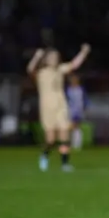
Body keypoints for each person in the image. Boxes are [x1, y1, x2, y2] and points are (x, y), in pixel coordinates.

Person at [27, 44, 91, 172]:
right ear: (46, 59)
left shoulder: (60, 69)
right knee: (50, 139)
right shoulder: (41, 73)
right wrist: (36, 56)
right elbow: (30, 69)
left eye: (56, 57)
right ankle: (44, 155)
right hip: (47, 108)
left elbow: (74, 64)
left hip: (61, 106)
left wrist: (83, 53)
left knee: (64, 134)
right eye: (51, 57)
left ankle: (65, 163)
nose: (54, 59)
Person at [66, 74, 88, 150]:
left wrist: (84, 107)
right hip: (70, 109)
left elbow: (84, 99)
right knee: (70, 126)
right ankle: (71, 142)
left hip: (78, 109)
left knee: (76, 125)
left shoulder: (81, 89)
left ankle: (77, 144)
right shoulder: (68, 89)